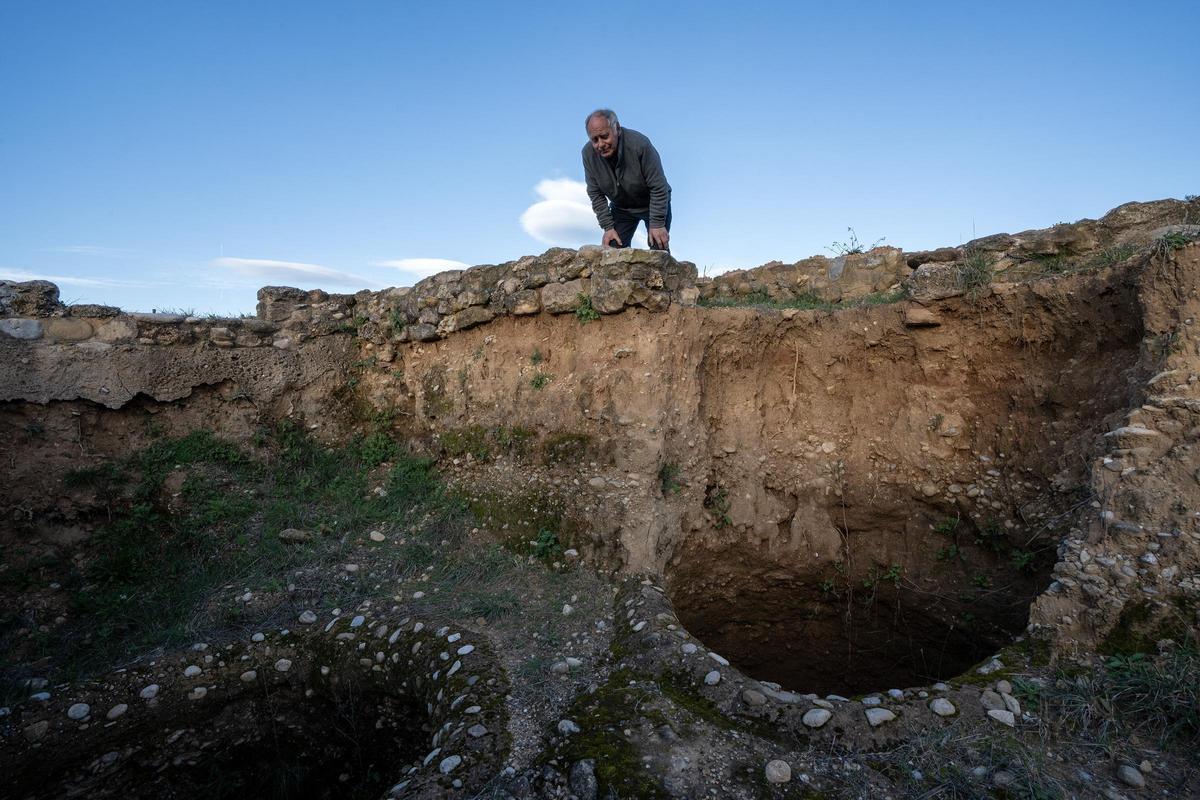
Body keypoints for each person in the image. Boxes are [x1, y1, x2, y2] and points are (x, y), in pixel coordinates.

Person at [582, 109, 672, 251]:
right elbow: (595, 193)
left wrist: (657, 224)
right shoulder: (587, 154)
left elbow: (658, 187)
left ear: (617, 128)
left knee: (658, 248)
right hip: (621, 209)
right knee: (612, 249)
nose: (600, 144)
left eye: (604, 136)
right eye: (594, 140)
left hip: (652, 203)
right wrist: (608, 227)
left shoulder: (640, 144)